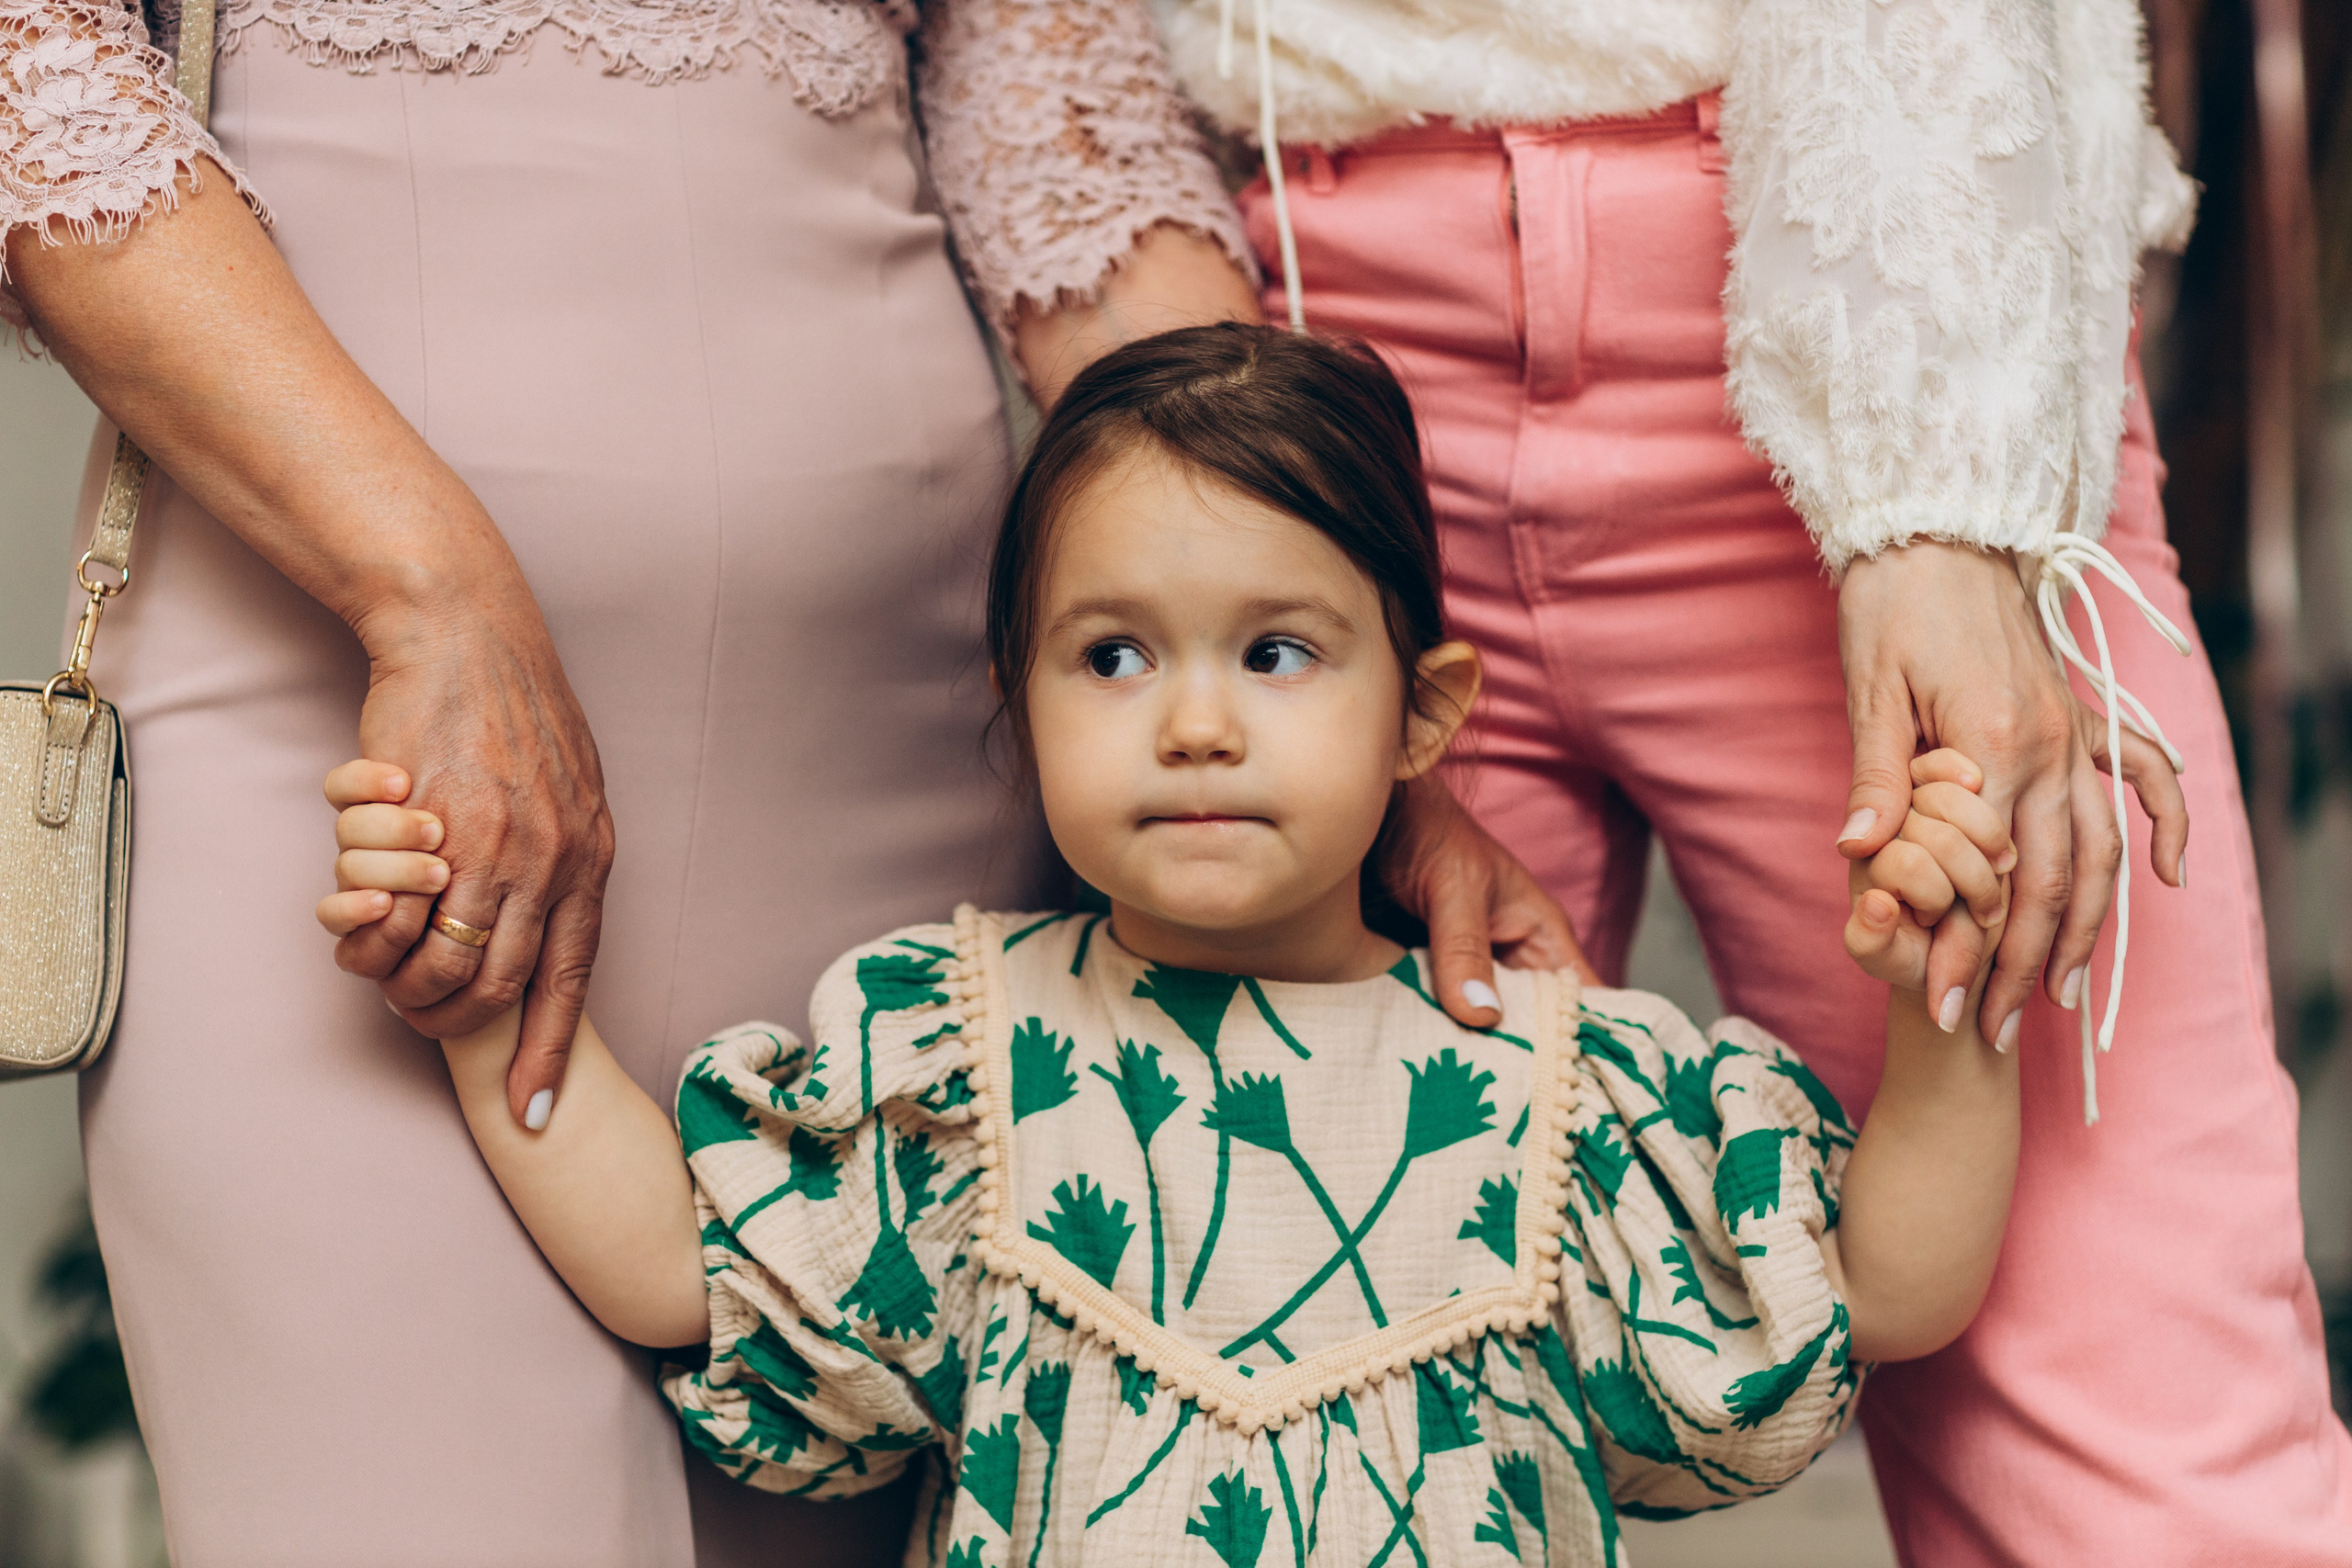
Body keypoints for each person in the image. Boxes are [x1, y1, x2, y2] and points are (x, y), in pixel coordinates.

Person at [2, 2, 1561, 1563]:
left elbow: (1063, 138)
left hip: (916, 799)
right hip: (352, 752)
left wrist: (1319, 685)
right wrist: (432, 590)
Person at [317, 323, 2051, 1564]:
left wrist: (1945, 1014)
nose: (1195, 725)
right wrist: (475, 1007)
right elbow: (689, 1269)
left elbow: (1884, 1291)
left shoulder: (1563, 1090)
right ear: (1021, 707)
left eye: (1278, 654)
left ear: (1425, 718)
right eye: (1114, 658)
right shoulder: (959, 1057)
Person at [1043, 2, 2351, 1561]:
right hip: (1311, 350)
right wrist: (1229, 518)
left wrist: (1941, 490)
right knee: (1274, 1399)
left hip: (1871, 283)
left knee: (2130, 1441)